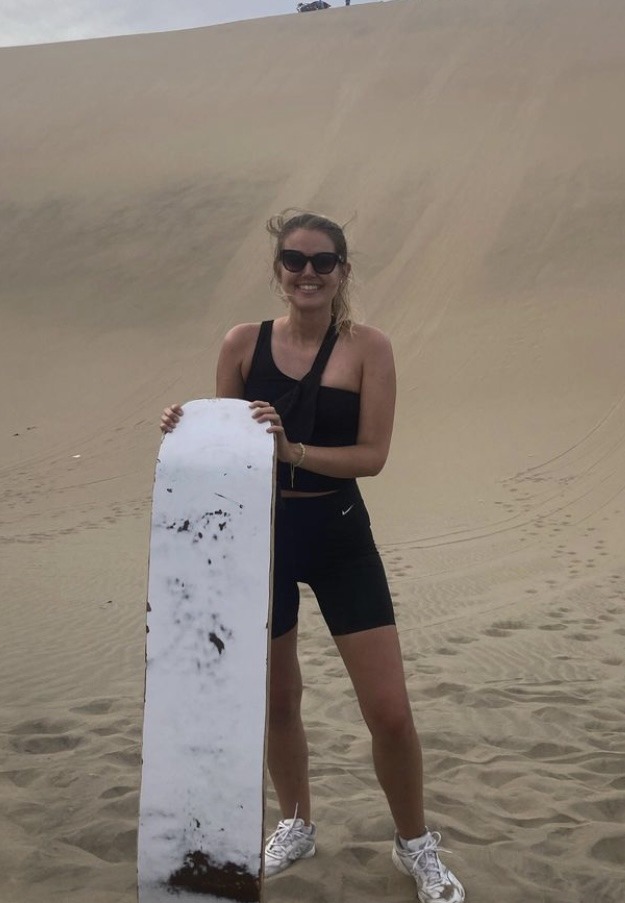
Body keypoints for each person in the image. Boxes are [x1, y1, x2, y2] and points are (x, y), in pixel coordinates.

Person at [160, 211, 465, 903]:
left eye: (322, 262)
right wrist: (184, 429)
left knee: (388, 709)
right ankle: (296, 819)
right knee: (277, 697)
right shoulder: (242, 344)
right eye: (294, 260)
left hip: (338, 534)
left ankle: (413, 839)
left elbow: (373, 455)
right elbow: (221, 448)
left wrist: (294, 451)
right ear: (278, 269)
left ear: (341, 272)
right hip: (259, 536)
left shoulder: (368, 348)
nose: (307, 273)